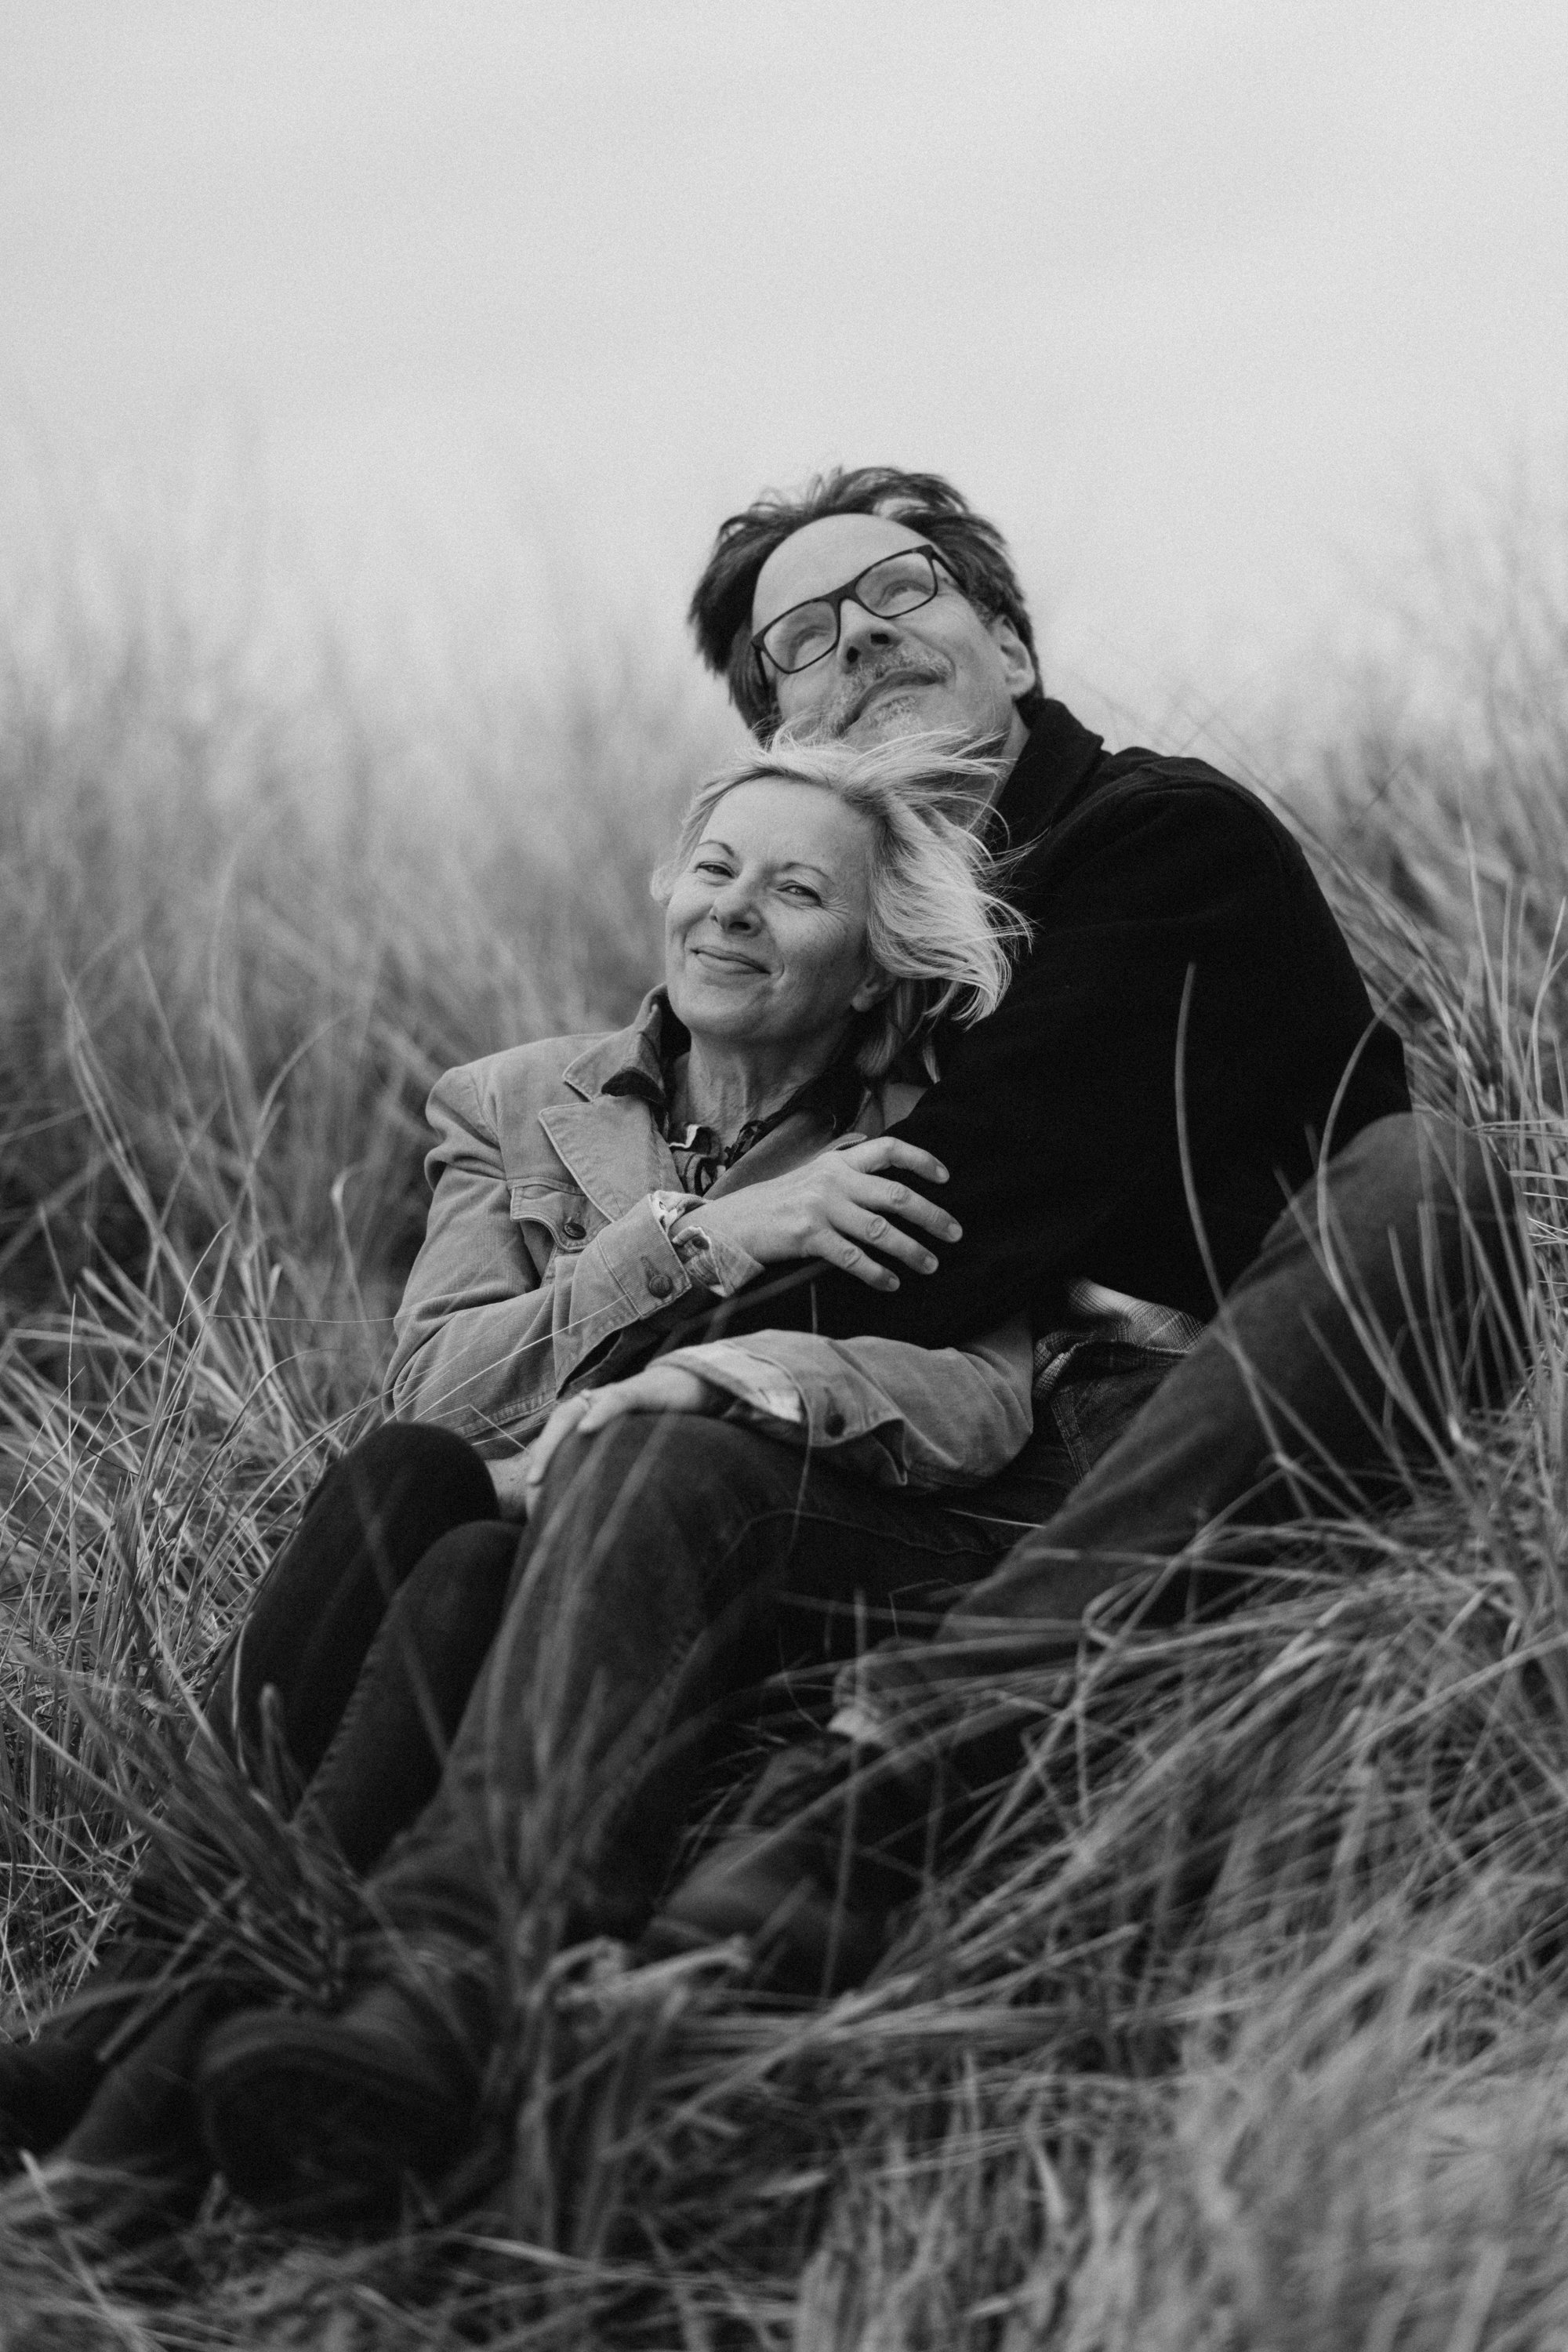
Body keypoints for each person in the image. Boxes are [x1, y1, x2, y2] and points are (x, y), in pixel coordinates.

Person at [187, 470, 1525, 2212]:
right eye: (799, 640)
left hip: (1213, 1417)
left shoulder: (1153, 842)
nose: (860, 637)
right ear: (786, 730)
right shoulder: (855, 956)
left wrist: (680, 1356)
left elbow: (968, 1209)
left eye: (899, 593)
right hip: (959, 1462)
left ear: (1012, 643)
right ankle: (437, 1984)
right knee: (652, 1466)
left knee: (1444, 1172)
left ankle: (881, 1786)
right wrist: (652, 1375)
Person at [6, 729, 1033, 2202]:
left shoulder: (926, 1139)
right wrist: (692, 1243)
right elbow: (440, 1380)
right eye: (714, 868)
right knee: (423, 1481)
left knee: (478, 1552)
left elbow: (979, 1395)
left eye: (796, 891)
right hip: (483, 1507)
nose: (732, 908)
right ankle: (149, 2044)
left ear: (872, 964)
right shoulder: (511, 1099)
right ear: (668, 887)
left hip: (692, 1540)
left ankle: (125, 2081)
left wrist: (708, 1383)